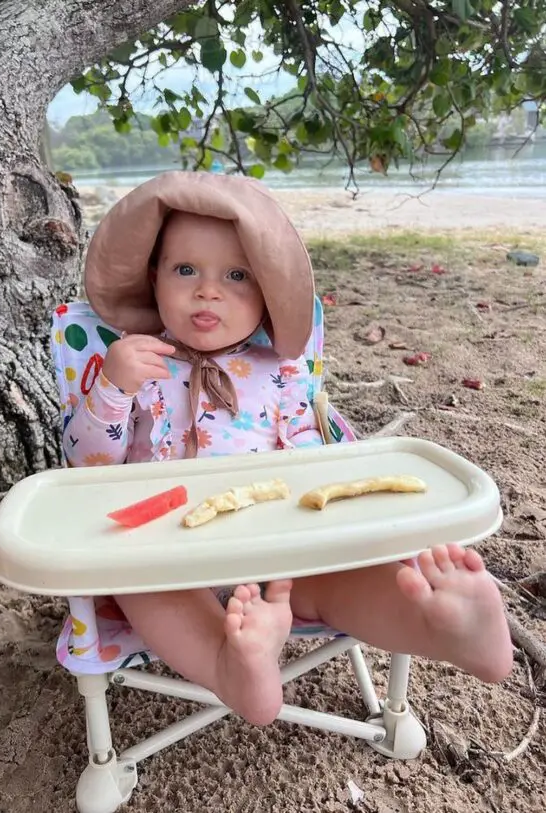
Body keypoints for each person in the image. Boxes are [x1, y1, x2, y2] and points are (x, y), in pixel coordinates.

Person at [65, 171, 513, 726]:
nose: (208, 290)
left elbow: (310, 464)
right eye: (185, 270)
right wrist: (112, 389)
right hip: (166, 553)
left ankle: (443, 625)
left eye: (237, 276)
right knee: (144, 588)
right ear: (154, 278)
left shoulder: (280, 371)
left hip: (278, 548)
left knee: (340, 582)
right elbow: (86, 465)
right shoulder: (136, 363)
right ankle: (235, 664)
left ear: (269, 292)